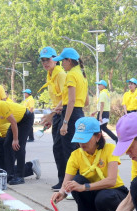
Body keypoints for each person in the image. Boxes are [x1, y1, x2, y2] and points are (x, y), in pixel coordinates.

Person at [51, 117, 136, 211]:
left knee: (104, 197)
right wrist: (62, 193)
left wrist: (84, 187)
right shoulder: (76, 155)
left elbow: (111, 180)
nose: (82, 143)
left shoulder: (109, 148)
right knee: (76, 181)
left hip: (114, 194)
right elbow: (66, 183)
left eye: (86, 139)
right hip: (91, 195)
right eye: (79, 139)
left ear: (98, 136)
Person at [50, 47, 88, 191]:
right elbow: (86, 102)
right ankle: (68, 182)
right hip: (78, 113)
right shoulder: (81, 74)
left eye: (63, 61)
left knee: (69, 151)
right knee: (70, 149)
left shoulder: (71, 75)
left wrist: (65, 122)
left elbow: (71, 100)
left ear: (69, 61)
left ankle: (70, 185)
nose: (61, 64)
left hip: (70, 115)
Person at [38, 47, 67, 190]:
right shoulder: (50, 75)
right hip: (57, 114)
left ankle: (66, 182)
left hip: (64, 113)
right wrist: (51, 117)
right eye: (43, 60)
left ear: (55, 59)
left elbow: (66, 97)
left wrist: (52, 114)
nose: (45, 63)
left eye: (47, 59)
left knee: (64, 149)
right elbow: (56, 99)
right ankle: (62, 180)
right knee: (57, 149)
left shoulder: (60, 74)